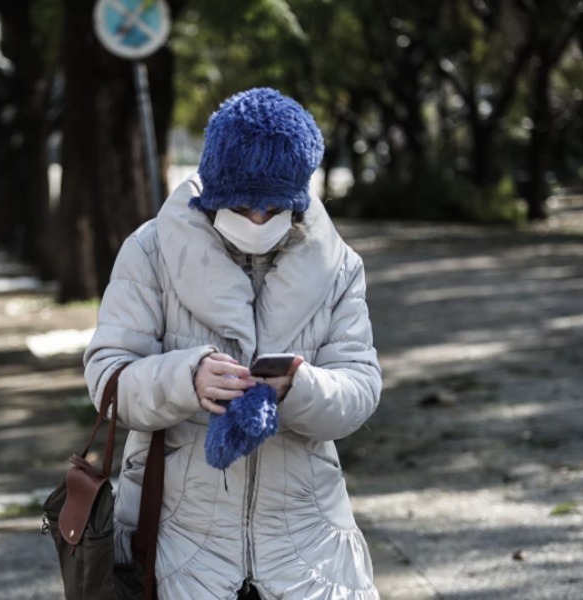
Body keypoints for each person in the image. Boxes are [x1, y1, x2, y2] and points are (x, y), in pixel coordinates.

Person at [84, 87, 382, 600]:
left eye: (275, 208)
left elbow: (359, 390)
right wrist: (185, 377)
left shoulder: (338, 266)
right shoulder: (151, 251)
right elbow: (108, 378)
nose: (258, 221)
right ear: (215, 190)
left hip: (307, 549)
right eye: (244, 205)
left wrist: (299, 387)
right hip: (175, 547)